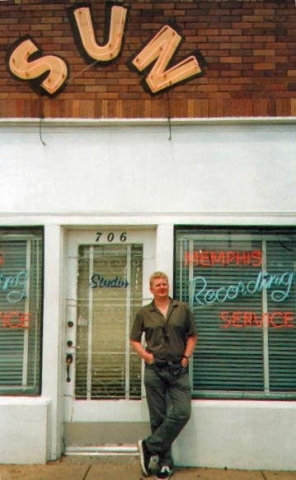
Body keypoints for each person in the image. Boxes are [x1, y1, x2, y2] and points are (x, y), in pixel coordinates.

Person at [130, 271, 197, 480]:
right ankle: (164, 465)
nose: (162, 287)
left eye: (164, 284)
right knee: (158, 418)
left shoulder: (182, 309)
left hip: (178, 369)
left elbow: (192, 335)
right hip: (155, 370)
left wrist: (186, 357)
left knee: (182, 411)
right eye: (157, 285)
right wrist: (147, 357)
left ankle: (148, 446)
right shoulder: (143, 312)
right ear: (151, 289)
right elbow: (134, 340)